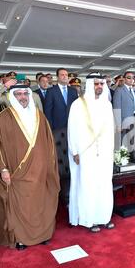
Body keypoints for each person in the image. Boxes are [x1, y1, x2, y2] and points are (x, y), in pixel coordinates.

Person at [0, 84, 59, 250]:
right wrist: (3, 169)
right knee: (22, 206)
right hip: (17, 173)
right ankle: (21, 238)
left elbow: (49, 143)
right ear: (13, 96)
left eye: (25, 94)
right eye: (19, 94)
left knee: (40, 204)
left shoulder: (39, 116)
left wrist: (50, 166)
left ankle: (42, 234)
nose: (23, 97)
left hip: (41, 172)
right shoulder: (4, 117)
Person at [68, 73, 115, 233]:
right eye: (96, 84)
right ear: (89, 85)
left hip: (104, 152)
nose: (99, 87)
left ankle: (104, 217)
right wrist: (75, 151)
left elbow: (110, 131)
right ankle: (90, 219)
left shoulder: (107, 105)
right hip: (85, 152)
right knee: (88, 184)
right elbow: (72, 130)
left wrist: (111, 151)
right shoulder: (78, 105)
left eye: (101, 84)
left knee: (103, 184)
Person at [44, 68, 78, 205]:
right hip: (57, 131)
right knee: (60, 158)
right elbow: (48, 112)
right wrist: (51, 132)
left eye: (66, 75)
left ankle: (73, 177)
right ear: (57, 77)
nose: (65, 77)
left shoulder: (73, 91)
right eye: (62, 75)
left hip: (72, 129)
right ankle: (61, 183)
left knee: (73, 153)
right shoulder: (51, 92)